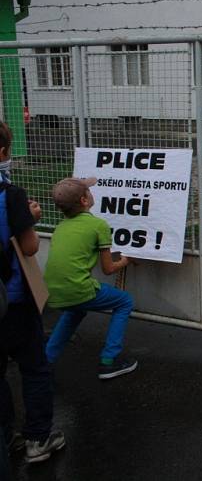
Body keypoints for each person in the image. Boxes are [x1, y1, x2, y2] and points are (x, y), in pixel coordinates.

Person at [0, 121, 66, 464]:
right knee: (34, 367)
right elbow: (27, 247)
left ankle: (7, 435)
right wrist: (31, 218)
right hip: (12, 300)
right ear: (2, 153)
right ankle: (38, 438)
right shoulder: (10, 195)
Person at [44, 177, 138, 380]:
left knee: (74, 312)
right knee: (124, 301)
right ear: (85, 201)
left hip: (54, 290)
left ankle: (46, 359)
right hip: (78, 288)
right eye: (88, 190)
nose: (91, 192)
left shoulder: (61, 226)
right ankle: (109, 360)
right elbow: (108, 269)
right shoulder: (98, 225)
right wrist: (127, 260)